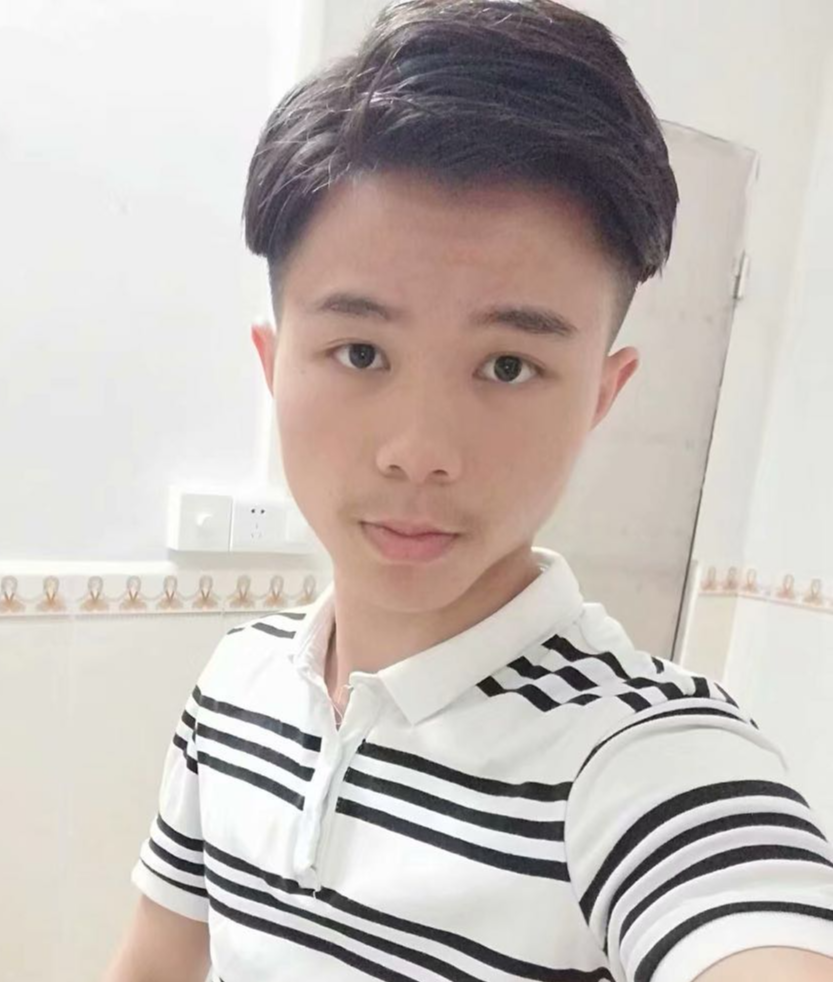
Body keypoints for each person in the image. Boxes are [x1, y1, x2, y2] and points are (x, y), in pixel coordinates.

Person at [104, 2, 833, 980]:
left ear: (602, 394)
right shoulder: (234, 686)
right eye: (360, 352)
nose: (420, 452)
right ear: (274, 366)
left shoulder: (642, 764)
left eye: (507, 366)